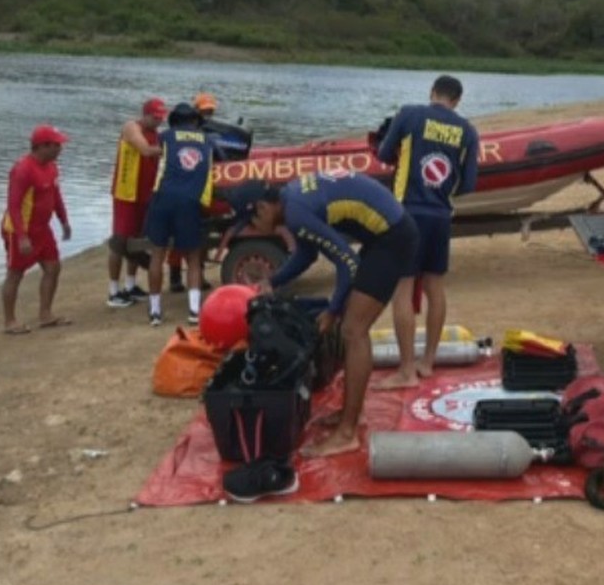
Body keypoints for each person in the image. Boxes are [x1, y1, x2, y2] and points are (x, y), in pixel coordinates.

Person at [233, 172, 419, 458]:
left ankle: (347, 434)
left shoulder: (296, 213)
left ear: (262, 207)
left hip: (394, 238)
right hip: (384, 234)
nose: (255, 230)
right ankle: (352, 414)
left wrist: (332, 311)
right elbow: (307, 254)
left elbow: (348, 263)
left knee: (353, 330)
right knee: (350, 322)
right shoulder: (293, 198)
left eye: (252, 222)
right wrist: (274, 281)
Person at [372, 74, 479, 389]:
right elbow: (469, 184)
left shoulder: (410, 114)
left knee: (403, 289)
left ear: (432, 93)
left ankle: (406, 371)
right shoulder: (468, 131)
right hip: (441, 215)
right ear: (457, 100)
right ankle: (427, 362)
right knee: (435, 285)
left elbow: (382, 154)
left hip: (407, 213)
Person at [143, 102, 222, 328]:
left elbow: (154, 154)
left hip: (163, 198)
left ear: (174, 121)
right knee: (194, 257)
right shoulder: (207, 139)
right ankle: (194, 311)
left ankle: (156, 312)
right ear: (195, 121)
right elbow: (219, 157)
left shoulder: (166, 136)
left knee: (157, 254)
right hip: (190, 202)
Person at [0, 124, 73, 335]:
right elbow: (13, 206)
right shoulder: (23, 169)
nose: (60, 149)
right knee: (15, 274)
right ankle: (10, 321)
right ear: (43, 146)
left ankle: (45, 314)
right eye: (57, 145)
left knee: (53, 268)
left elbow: (56, 196)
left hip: (43, 228)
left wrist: (64, 221)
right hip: (19, 229)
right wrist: (21, 237)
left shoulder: (52, 167)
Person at [107, 97, 167, 307]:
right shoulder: (131, 127)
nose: (158, 121)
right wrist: (176, 149)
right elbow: (145, 150)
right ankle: (113, 291)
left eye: (161, 118)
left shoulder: (157, 134)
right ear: (146, 114)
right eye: (155, 117)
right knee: (119, 241)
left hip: (145, 193)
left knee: (137, 241)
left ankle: (130, 285)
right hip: (126, 193)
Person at [168, 92, 219, 294]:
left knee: (201, 235)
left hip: (201, 188)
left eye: (210, 111)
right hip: (183, 190)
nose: (207, 115)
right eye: (204, 111)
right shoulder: (178, 134)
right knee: (179, 236)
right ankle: (174, 276)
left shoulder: (212, 132)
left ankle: (199, 274)